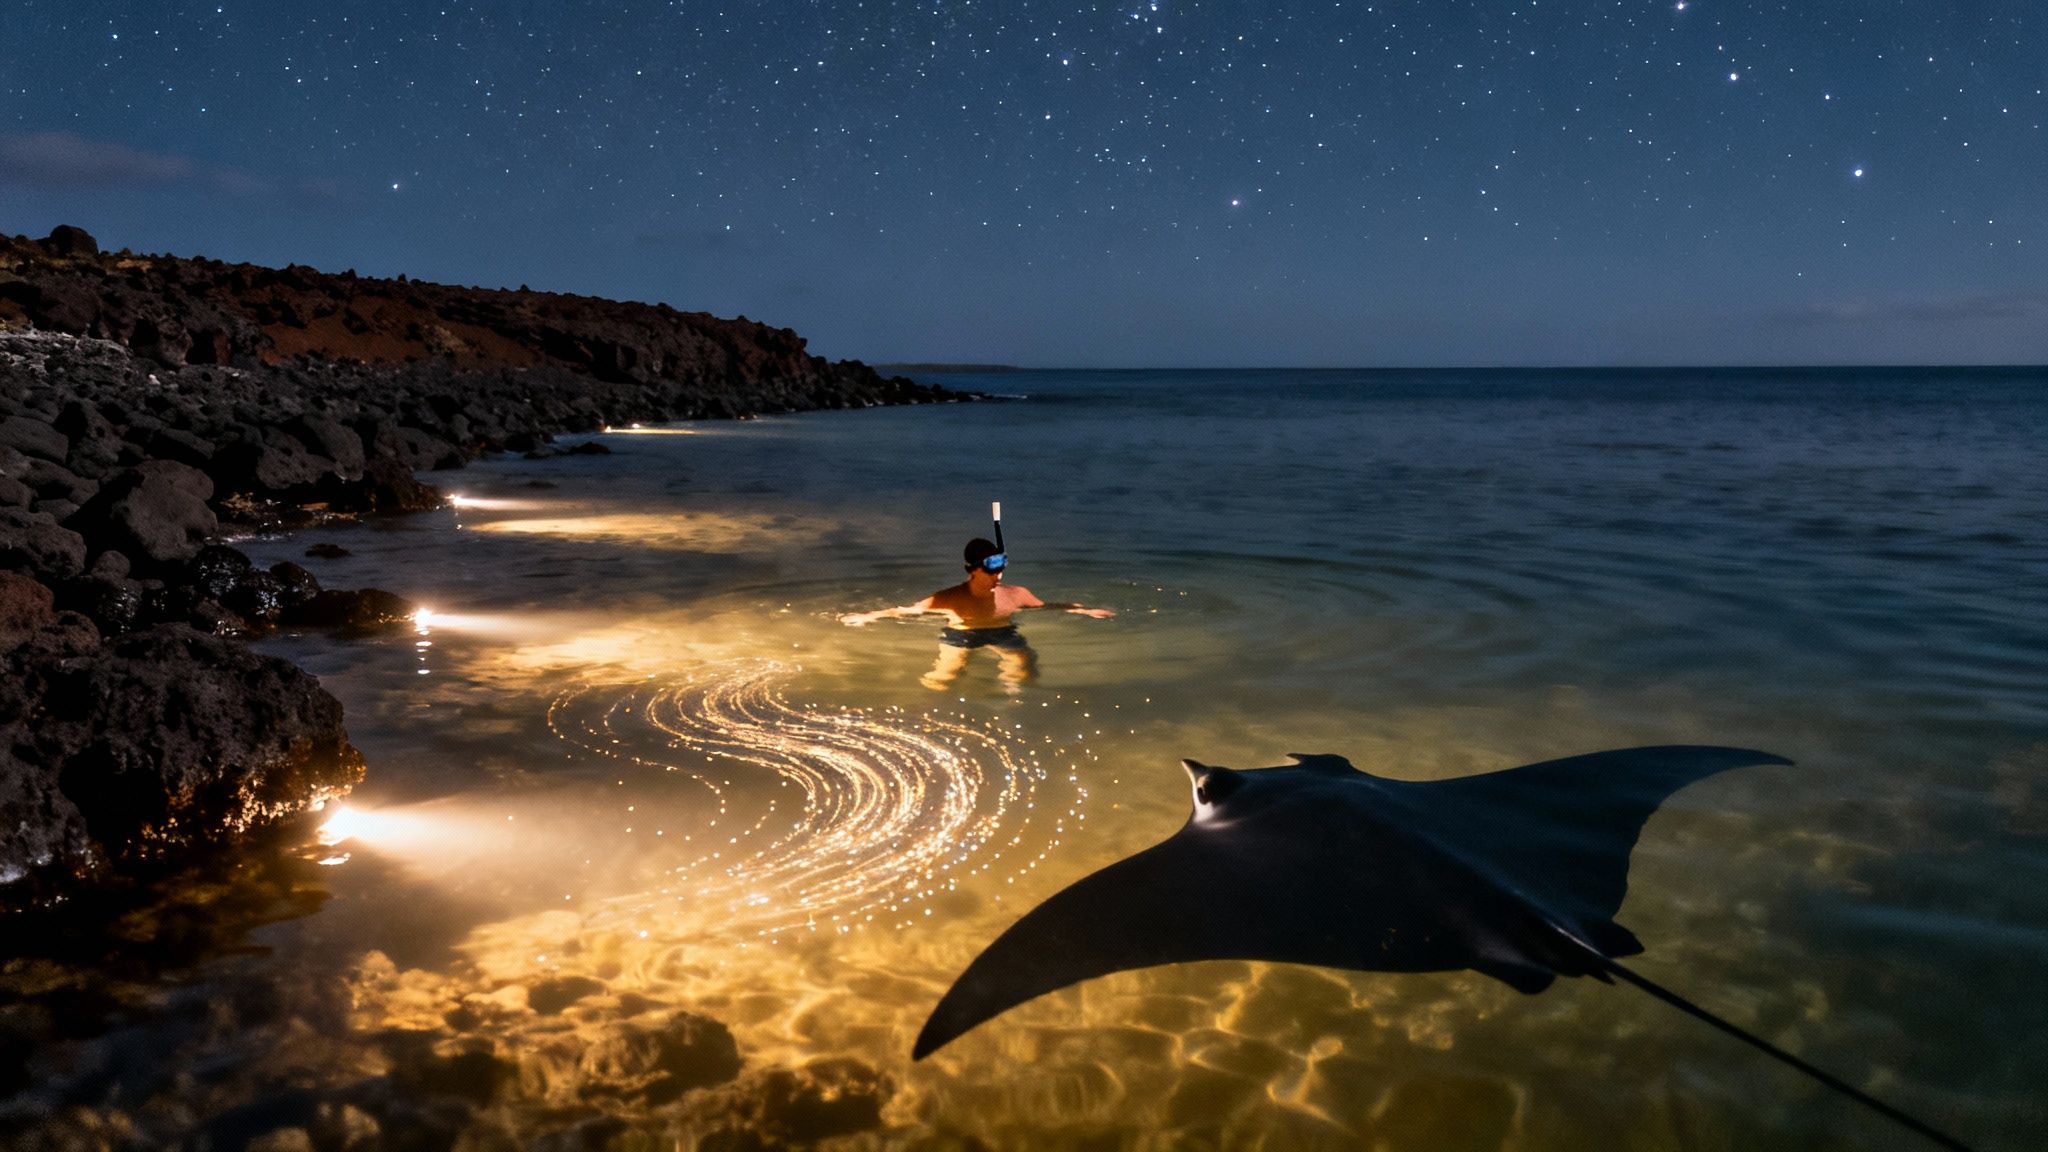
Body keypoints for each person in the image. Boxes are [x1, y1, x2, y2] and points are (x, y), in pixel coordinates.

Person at [841, 538, 1113, 691]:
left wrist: (1084, 610)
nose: (998, 575)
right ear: (971, 569)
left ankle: (1008, 706)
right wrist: (869, 616)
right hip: (960, 635)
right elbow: (908, 611)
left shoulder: (1016, 594)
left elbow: (1046, 607)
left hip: (1004, 633)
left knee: (1024, 670)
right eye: (991, 569)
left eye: (1001, 568)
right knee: (943, 678)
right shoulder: (949, 598)